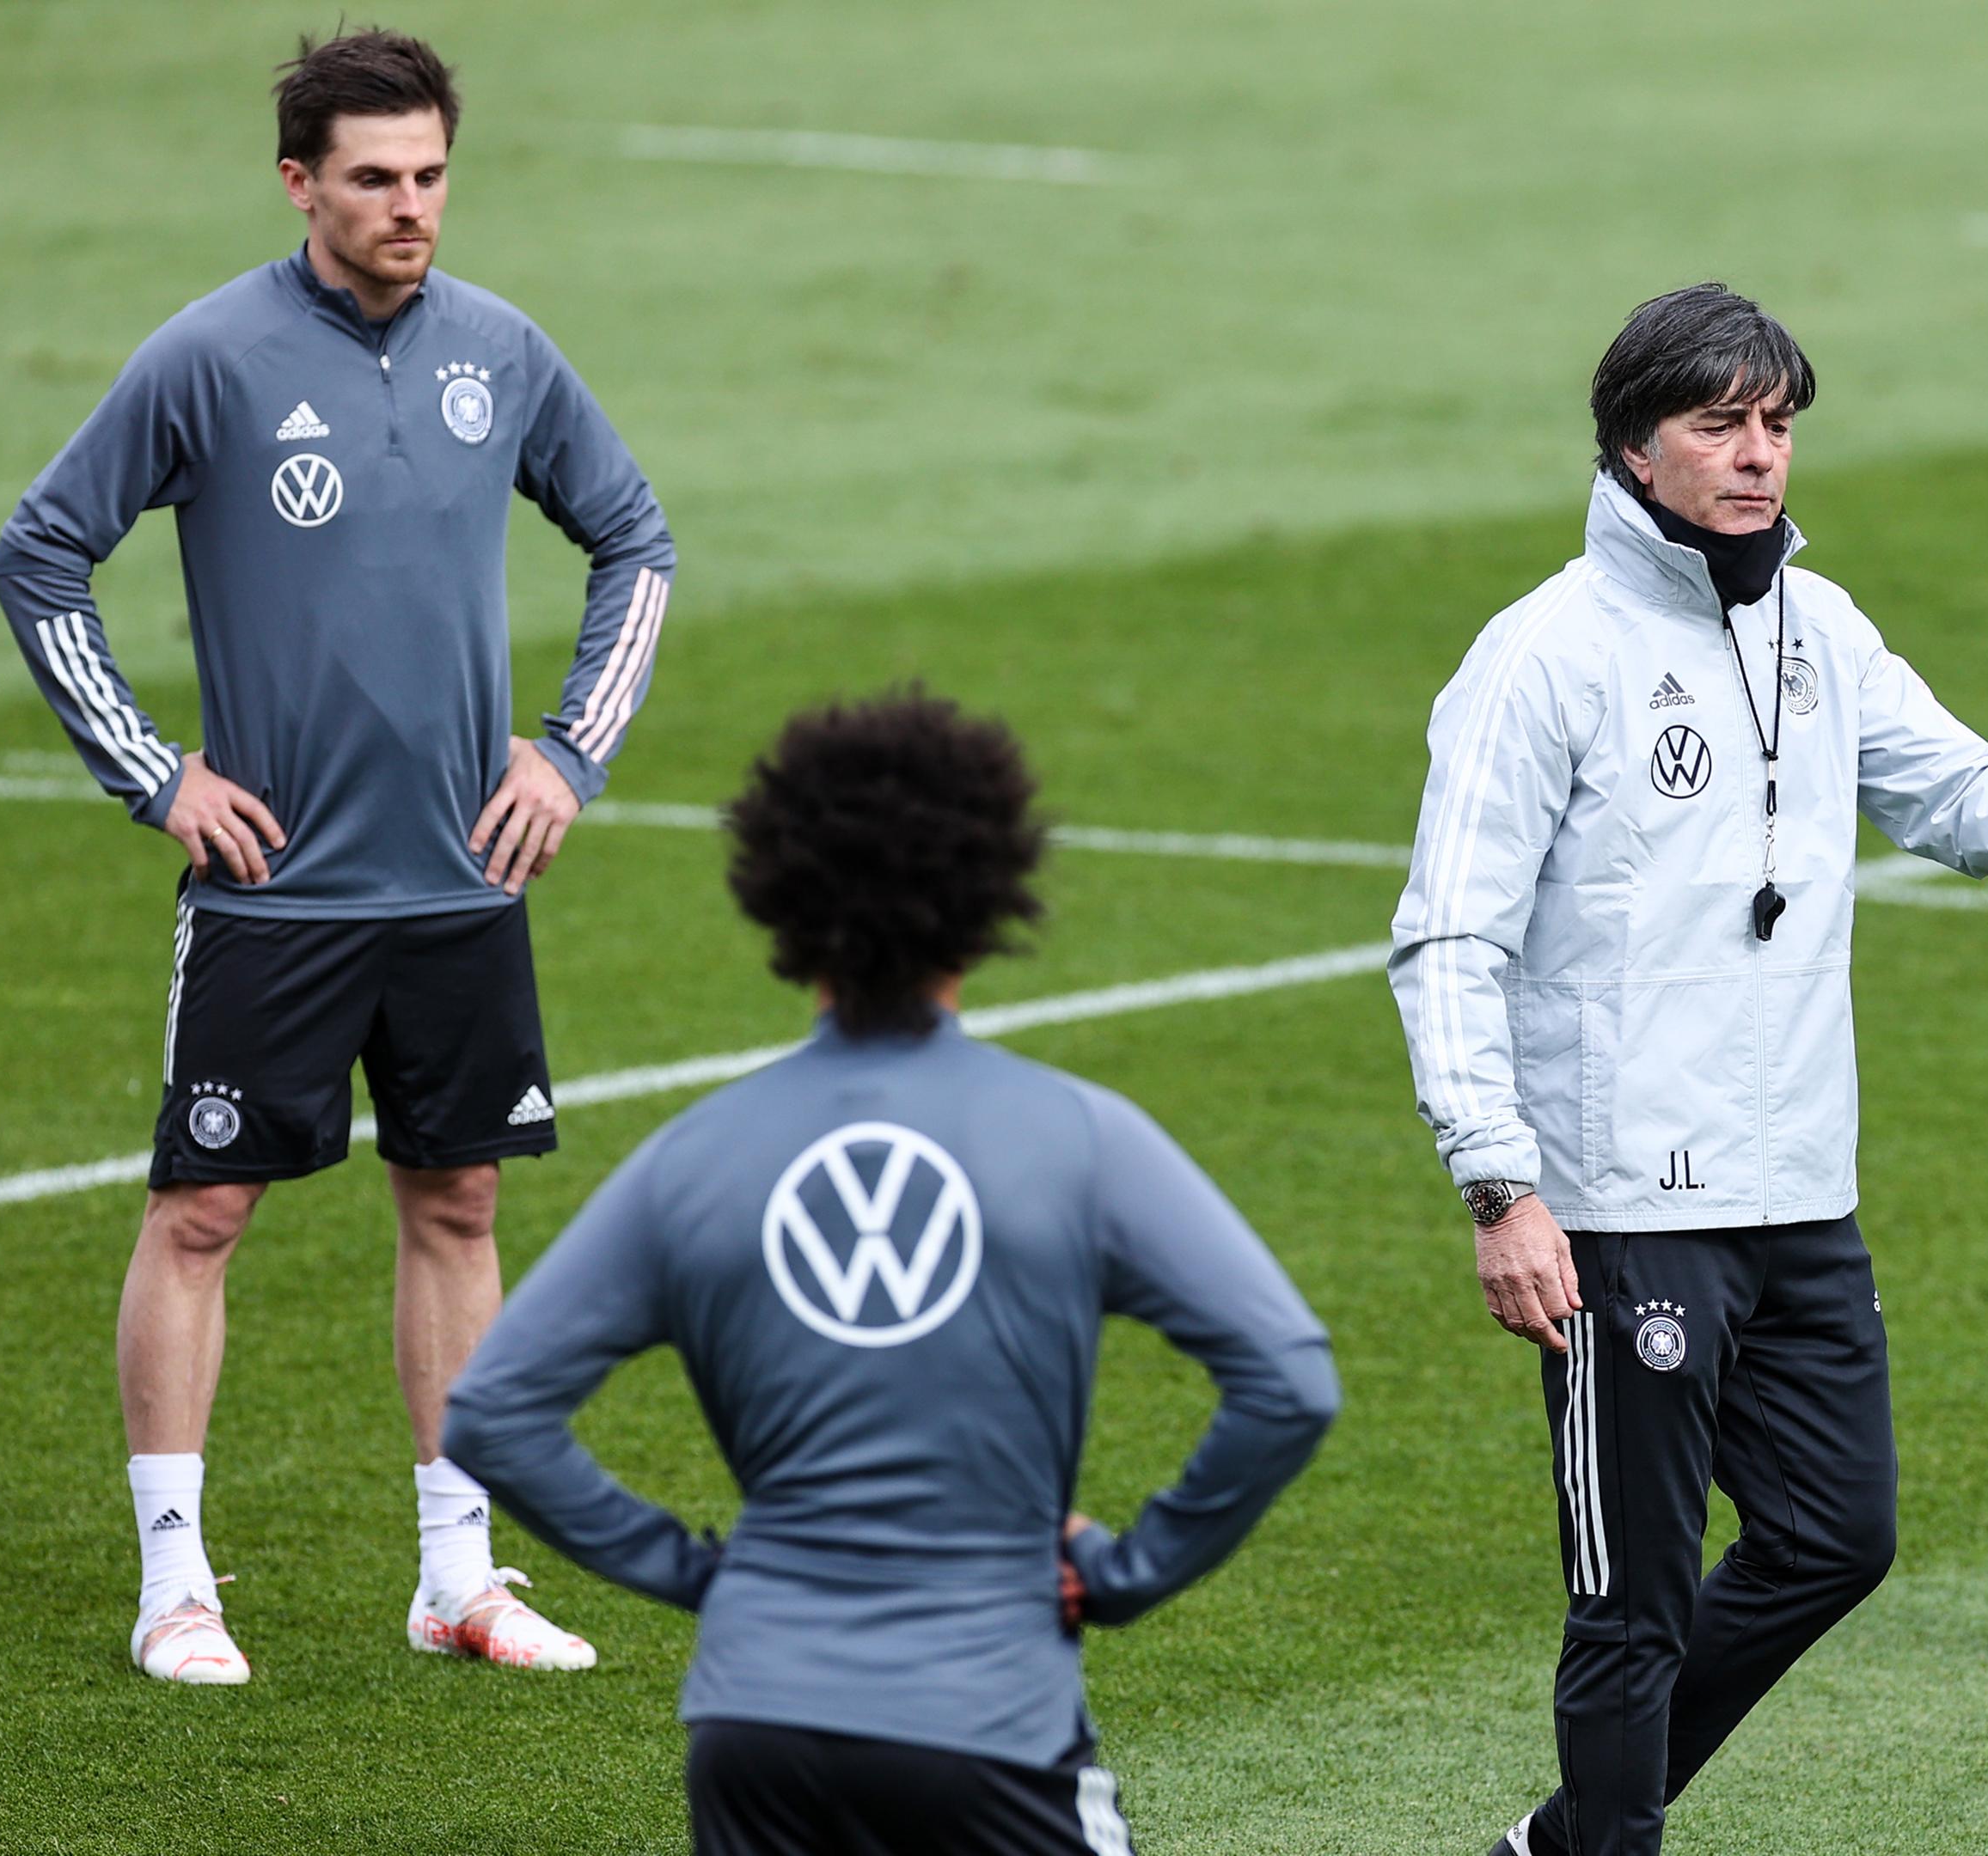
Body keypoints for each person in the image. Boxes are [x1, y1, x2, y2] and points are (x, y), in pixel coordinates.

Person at [1392, 283, 1988, 1856]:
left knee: (1834, 1540)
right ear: (1636, 447)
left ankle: (1569, 1835)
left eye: (1777, 424)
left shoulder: (1821, 625)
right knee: (1631, 1603)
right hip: (1618, 1208)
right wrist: (1500, 1184)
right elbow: (1449, 940)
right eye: (1720, 425)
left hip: (1797, 1196)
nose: (1758, 457)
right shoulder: (1540, 659)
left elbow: (1966, 808)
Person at [0, 27, 676, 1685]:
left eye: (431, 175)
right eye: (373, 178)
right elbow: (40, 556)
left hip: (459, 886)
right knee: (203, 1211)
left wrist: (570, 754)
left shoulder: (501, 353)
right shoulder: (210, 358)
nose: (410, 208)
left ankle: (459, 1578)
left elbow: (635, 540)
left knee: (457, 1204)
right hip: (273, 893)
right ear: (299, 180)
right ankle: (176, 1585)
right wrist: (156, 775)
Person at [443, 689, 1340, 1856]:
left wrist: (709, 1575)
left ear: (784, 906)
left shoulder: (695, 1157)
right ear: (984, 907)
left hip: (753, 1730)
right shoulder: (1077, 1137)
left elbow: (494, 1410)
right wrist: (1126, 1572)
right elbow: (1290, 1380)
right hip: (990, 1727)